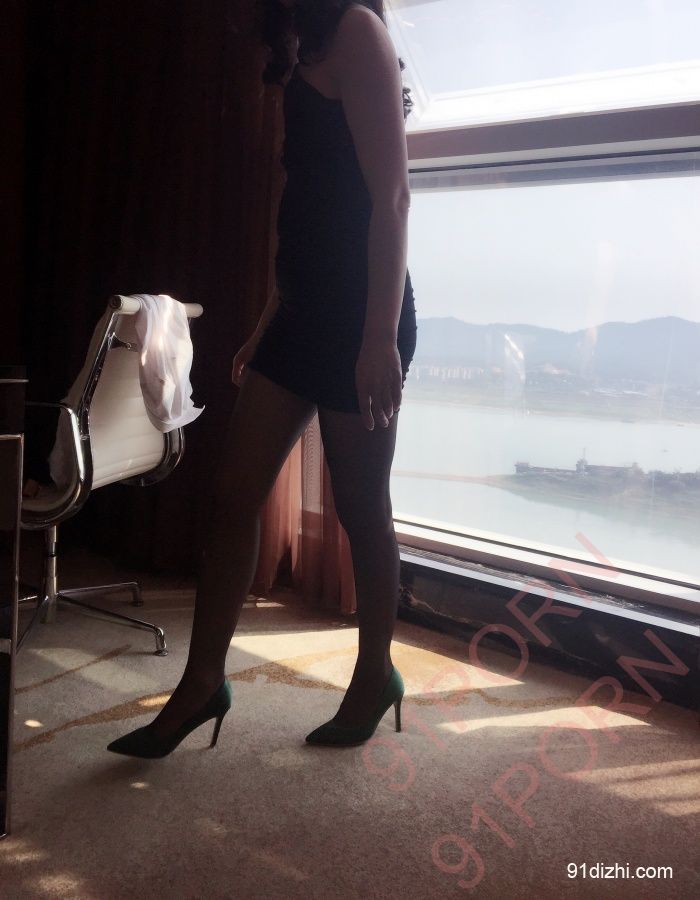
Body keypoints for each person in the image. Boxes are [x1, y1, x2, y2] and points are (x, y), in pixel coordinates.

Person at [107, 0, 418, 757]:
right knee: (232, 496)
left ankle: (374, 673)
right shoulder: (301, 41)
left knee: (361, 508)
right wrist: (264, 325)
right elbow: (304, 210)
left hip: (359, 319)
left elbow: (392, 198)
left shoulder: (358, 30)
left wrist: (378, 337)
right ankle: (201, 683)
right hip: (300, 318)